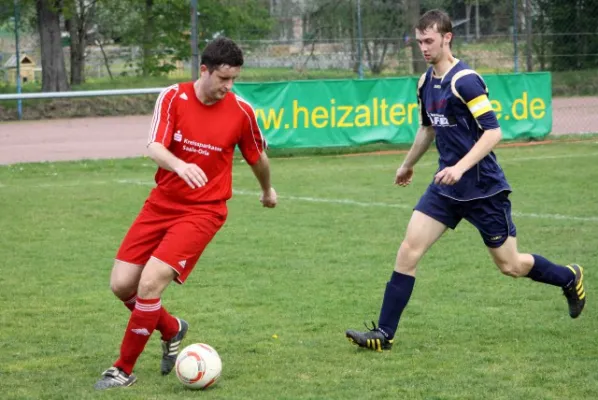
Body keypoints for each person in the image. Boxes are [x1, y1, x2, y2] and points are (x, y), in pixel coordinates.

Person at [345, 9, 585, 352]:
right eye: (419, 42)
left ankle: (569, 277)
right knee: (408, 251)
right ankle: (384, 334)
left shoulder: (465, 81)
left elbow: (493, 132)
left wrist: (460, 166)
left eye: (429, 41)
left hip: (483, 189)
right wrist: (407, 164)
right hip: (446, 188)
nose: (423, 48)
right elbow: (428, 128)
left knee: (510, 265)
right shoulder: (425, 82)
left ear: (447, 38)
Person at [94, 37, 277, 389]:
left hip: (204, 211)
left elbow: (257, 157)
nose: (229, 87)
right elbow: (154, 146)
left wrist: (267, 190)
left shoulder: (241, 112)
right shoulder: (173, 97)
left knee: (149, 284)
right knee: (121, 285)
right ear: (204, 70)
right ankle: (172, 328)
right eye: (223, 78)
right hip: (161, 203)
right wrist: (178, 165)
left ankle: (122, 369)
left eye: (234, 79)